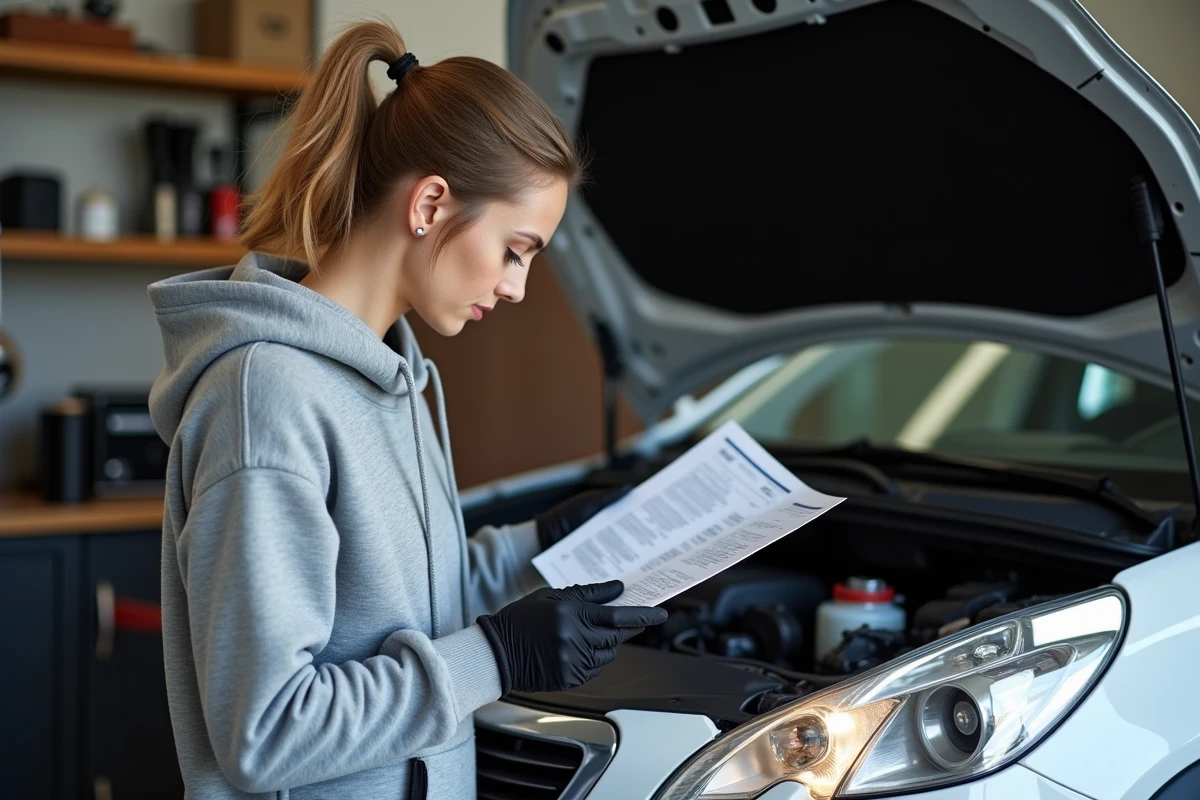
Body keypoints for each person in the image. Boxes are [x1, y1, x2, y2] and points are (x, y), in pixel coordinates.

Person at [147, 21, 666, 800]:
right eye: (515, 249)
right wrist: (497, 656)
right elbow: (266, 731)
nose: (519, 286)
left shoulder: (398, 377)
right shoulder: (268, 401)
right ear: (429, 203)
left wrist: (543, 543)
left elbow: (402, 603)